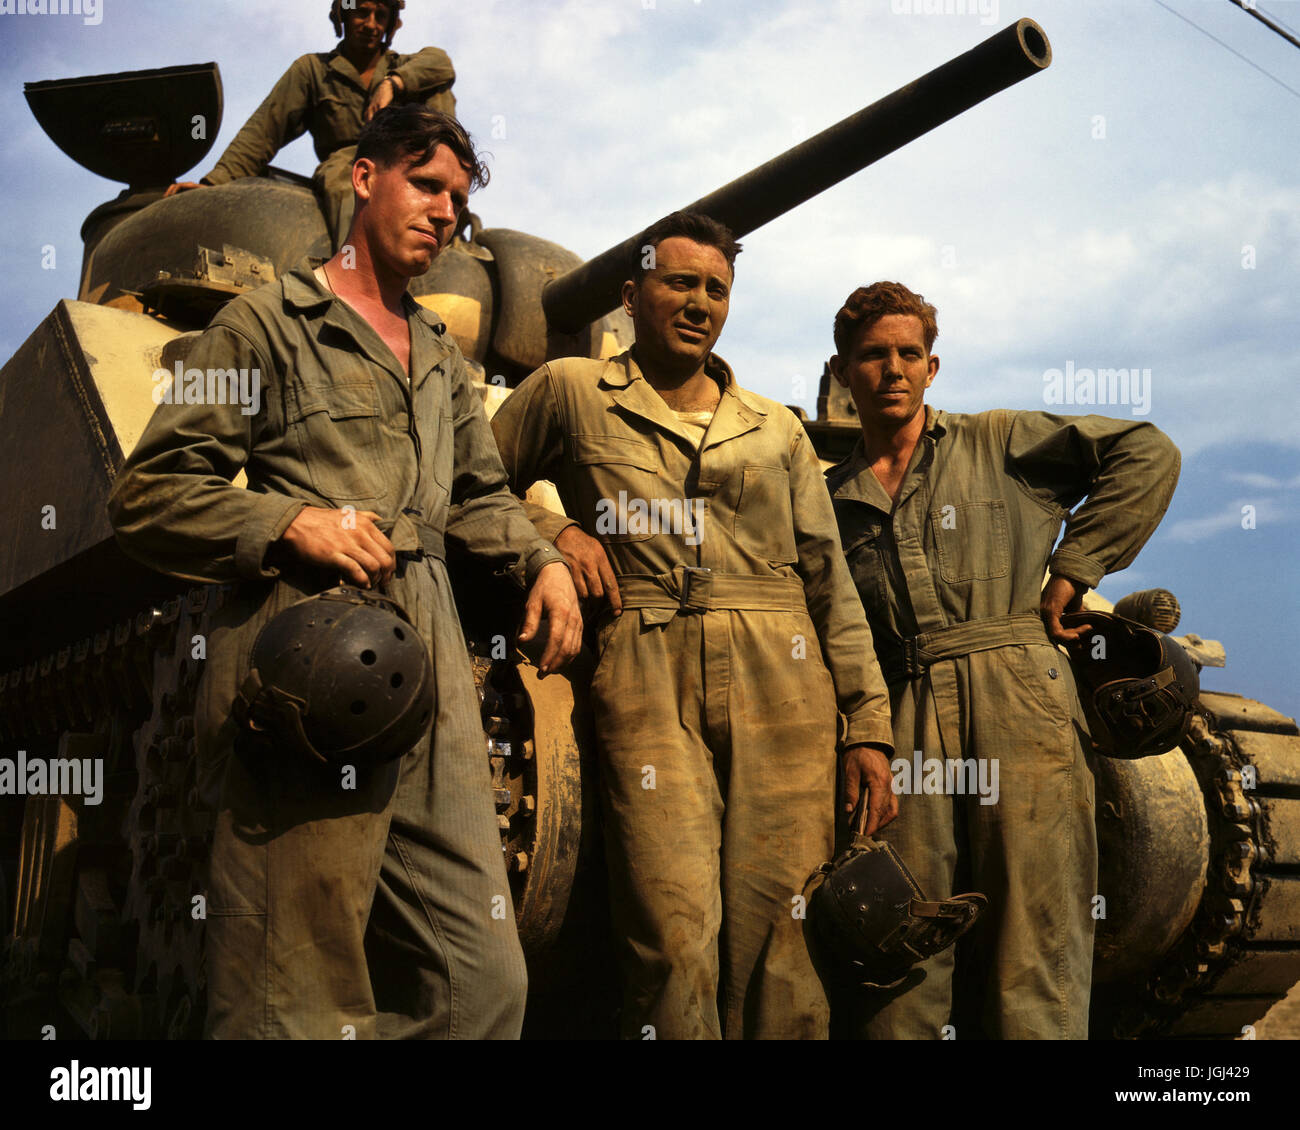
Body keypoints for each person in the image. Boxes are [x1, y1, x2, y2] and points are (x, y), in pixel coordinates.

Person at [108, 104, 582, 1039]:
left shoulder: (442, 360)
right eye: (425, 184)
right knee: (290, 989)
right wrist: (288, 521)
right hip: (312, 651)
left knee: (485, 986)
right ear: (364, 179)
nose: (444, 212)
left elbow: (479, 494)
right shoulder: (266, 326)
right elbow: (149, 496)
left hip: (432, 664)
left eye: (458, 197)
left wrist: (544, 556)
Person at [490, 212, 895, 1040]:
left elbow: (829, 582)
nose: (699, 302)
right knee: (668, 939)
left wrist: (869, 727)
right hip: (646, 670)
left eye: (716, 288)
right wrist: (552, 531)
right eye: (680, 283)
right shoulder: (570, 390)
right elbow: (469, 487)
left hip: (784, 679)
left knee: (786, 944)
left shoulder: (774, 426)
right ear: (632, 296)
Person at [824, 281, 1181, 1039]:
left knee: (1039, 940)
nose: (892, 369)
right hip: (905, 707)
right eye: (873, 356)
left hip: (1019, 693)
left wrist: (1079, 563)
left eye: (908, 354)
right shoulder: (830, 499)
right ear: (844, 369)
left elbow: (1147, 452)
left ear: (932, 367)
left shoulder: (1000, 441)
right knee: (901, 941)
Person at [169, 0, 457, 248]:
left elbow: (441, 62)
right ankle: (357, 276)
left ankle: (449, 203)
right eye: (361, 12)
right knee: (348, 185)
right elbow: (264, 130)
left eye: (380, 15)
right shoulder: (313, 71)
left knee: (439, 91)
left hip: (408, 162)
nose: (371, 24)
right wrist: (212, 184)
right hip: (347, 164)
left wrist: (394, 83)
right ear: (342, 16)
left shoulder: (406, 65)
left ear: (391, 24)